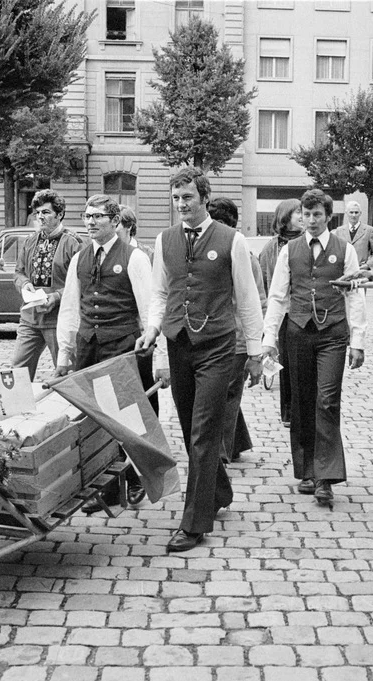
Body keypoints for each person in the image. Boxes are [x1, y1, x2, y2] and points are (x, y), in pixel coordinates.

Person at [136, 167, 264, 553]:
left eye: (188, 197)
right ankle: (218, 490)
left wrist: (255, 353)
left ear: (204, 197)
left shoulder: (232, 240)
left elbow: (247, 299)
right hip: (179, 343)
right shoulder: (165, 240)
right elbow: (160, 292)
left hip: (218, 347)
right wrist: (153, 329)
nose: (181, 204)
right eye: (176, 198)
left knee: (204, 431)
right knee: (190, 425)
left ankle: (194, 524)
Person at [262, 188, 366, 506]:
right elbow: (278, 296)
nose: (311, 220)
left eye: (317, 214)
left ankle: (326, 477)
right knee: (302, 402)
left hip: (333, 334)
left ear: (328, 216)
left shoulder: (345, 250)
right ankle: (307, 470)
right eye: (306, 214)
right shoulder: (290, 251)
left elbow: (355, 296)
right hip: (298, 333)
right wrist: (269, 339)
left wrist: (358, 341)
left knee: (327, 400)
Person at [54, 194, 154, 507]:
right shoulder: (79, 258)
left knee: (128, 418)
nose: (91, 222)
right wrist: (64, 354)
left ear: (114, 221)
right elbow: (70, 308)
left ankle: (135, 478)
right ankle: (105, 487)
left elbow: (149, 310)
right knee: (95, 419)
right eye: (87, 216)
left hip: (123, 346)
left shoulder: (135, 258)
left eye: (98, 216)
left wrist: (154, 351)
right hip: (88, 348)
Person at [207, 197, 267, 464]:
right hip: (215, 336)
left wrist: (255, 346)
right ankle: (237, 443)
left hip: (237, 339)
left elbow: (258, 302)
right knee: (223, 392)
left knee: (226, 396)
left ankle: (218, 454)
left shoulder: (245, 257)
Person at [12, 189, 82, 381]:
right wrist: (25, 284)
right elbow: (18, 272)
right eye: (38, 213)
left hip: (59, 321)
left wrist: (56, 297)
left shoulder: (73, 243)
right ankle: (18, 402)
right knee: (17, 371)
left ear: (59, 214)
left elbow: (81, 281)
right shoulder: (30, 241)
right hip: (30, 319)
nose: (40, 217)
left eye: (46, 212)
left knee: (67, 374)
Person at [258, 199, 303, 427]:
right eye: (298, 212)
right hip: (283, 313)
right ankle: (289, 412)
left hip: (304, 310)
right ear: (285, 217)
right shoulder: (271, 247)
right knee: (286, 362)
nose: (303, 216)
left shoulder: (308, 241)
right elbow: (264, 281)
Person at [335, 201, 373, 267]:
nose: (354, 215)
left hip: (361, 269)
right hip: (344, 269)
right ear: (346, 213)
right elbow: (335, 251)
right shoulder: (339, 231)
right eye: (351, 212)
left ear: (360, 213)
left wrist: (368, 265)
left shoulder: (369, 230)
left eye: (356, 212)